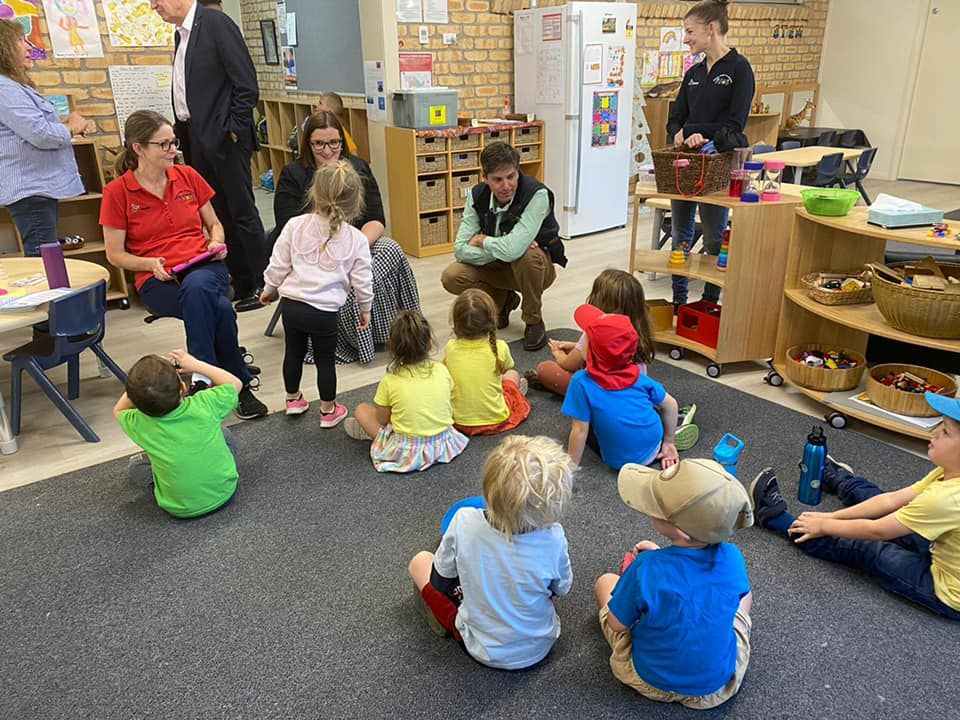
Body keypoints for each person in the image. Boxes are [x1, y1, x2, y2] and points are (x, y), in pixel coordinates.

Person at [101, 110, 267, 420]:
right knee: (217, 307)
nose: (173, 150)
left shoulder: (188, 176)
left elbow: (215, 226)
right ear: (138, 148)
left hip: (204, 266)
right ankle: (237, 382)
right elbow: (115, 255)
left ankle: (203, 380)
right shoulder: (117, 193)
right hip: (157, 279)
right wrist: (149, 263)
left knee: (200, 287)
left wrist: (216, 242)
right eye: (163, 145)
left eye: (173, 142)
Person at [750, 392, 960, 621]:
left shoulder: (947, 498)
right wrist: (832, 517)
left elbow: (877, 530)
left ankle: (774, 518)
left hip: (944, 590)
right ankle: (837, 477)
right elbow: (890, 501)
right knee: (884, 503)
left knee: (869, 549)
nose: (934, 433)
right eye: (940, 425)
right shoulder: (948, 471)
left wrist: (824, 526)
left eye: (946, 432)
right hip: (941, 543)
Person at [595, 459, 753, 709]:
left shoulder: (646, 567)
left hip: (650, 680)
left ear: (681, 533)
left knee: (605, 582)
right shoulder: (733, 557)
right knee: (742, 597)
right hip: (715, 688)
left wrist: (646, 569)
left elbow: (618, 624)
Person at [408, 434, 574, 670]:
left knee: (420, 561)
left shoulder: (463, 520)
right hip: (541, 644)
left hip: (481, 647)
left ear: (488, 491)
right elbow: (561, 589)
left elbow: (440, 582)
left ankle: (445, 620)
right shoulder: (554, 537)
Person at [273, 111, 420, 364]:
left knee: (391, 248)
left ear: (343, 141)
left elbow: (376, 219)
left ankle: (402, 330)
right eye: (319, 144)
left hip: (358, 244)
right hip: (312, 255)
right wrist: (338, 252)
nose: (328, 150)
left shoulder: (359, 168)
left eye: (334, 143)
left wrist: (354, 249)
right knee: (346, 276)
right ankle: (354, 341)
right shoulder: (294, 174)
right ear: (308, 144)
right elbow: (289, 228)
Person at [152, 0, 267, 313]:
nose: (153, 7)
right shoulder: (181, 35)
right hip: (195, 138)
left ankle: (263, 282)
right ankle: (241, 281)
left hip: (224, 139)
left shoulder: (215, 24)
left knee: (242, 210)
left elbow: (246, 85)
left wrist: (233, 131)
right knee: (218, 214)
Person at [259, 161, 372, 426]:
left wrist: (268, 289)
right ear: (355, 201)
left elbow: (278, 263)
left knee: (293, 353)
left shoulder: (295, 225)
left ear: (314, 192)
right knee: (325, 362)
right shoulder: (356, 239)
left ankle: (293, 399)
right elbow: (363, 281)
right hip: (324, 313)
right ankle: (328, 410)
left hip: (292, 305)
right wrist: (365, 308)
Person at [665, 0, 754, 311]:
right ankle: (678, 301)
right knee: (680, 232)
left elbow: (735, 125)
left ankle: (708, 302)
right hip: (685, 163)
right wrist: (678, 130)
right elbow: (676, 115)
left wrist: (705, 134)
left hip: (716, 165)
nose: (686, 38)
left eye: (690, 31)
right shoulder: (693, 72)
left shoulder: (739, 69)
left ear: (712, 29)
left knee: (714, 235)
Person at [441, 141, 567, 352]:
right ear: (485, 178)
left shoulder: (537, 195)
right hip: (499, 266)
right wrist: (506, 248)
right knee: (452, 276)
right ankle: (502, 300)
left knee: (527, 255)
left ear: (518, 172)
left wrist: (483, 241)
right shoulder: (477, 195)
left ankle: (533, 320)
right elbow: (460, 249)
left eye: (511, 176)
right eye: (497, 180)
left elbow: (514, 251)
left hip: (537, 269)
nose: (506, 185)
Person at [0, 19, 93, 256]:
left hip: (37, 189)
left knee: (46, 256)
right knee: (45, 260)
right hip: (31, 190)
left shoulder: (13, 86)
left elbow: (30, 128)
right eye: (21, 40)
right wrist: (71, 127)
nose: (29, 47)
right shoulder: (4, 87)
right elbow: (40, 135)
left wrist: (66, 125)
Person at [114, 349, 242, 519]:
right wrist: (196, 364)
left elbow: (118, 410)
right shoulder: (204, 404)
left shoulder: (139, 422)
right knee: (224, 433)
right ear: (183, 388)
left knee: (135, 466)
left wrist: (138, 389)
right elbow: (235, 383)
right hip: (226, 492)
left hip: (178, 508)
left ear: (135, 401)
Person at [343, 311, 468, 473]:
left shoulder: (390, 380)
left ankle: (373, 436)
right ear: (429, 343)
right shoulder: (441, 369)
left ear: (393, 348)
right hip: (443, 443)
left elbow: (382, 419)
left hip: (408, 451)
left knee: (361, 410)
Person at [562, 304, 678, 470]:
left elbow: (580, 430)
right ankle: (671, 427)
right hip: (654, 446)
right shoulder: (639, 375)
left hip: (619, 461)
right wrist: (669, 442)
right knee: (649, 405)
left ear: (591, 349)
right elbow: (671, 404)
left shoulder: (581, 382)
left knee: (583, 421)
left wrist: (569, 468)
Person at [530, 269, 655, 397]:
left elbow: (569, 364)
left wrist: (558, 353)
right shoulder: (639, 331)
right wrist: (574, 346)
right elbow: (612, 352)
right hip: (636, 391)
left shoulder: (594, 330)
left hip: (602, 394)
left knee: (545, 369)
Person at [444, 288, 531, 436]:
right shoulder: (499, 347)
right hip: (496, 418)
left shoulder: (450, 347)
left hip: (459, 421)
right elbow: (506, 369)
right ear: (492, 319)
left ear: (456, 322)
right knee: (512, 374)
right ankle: (516, 393)